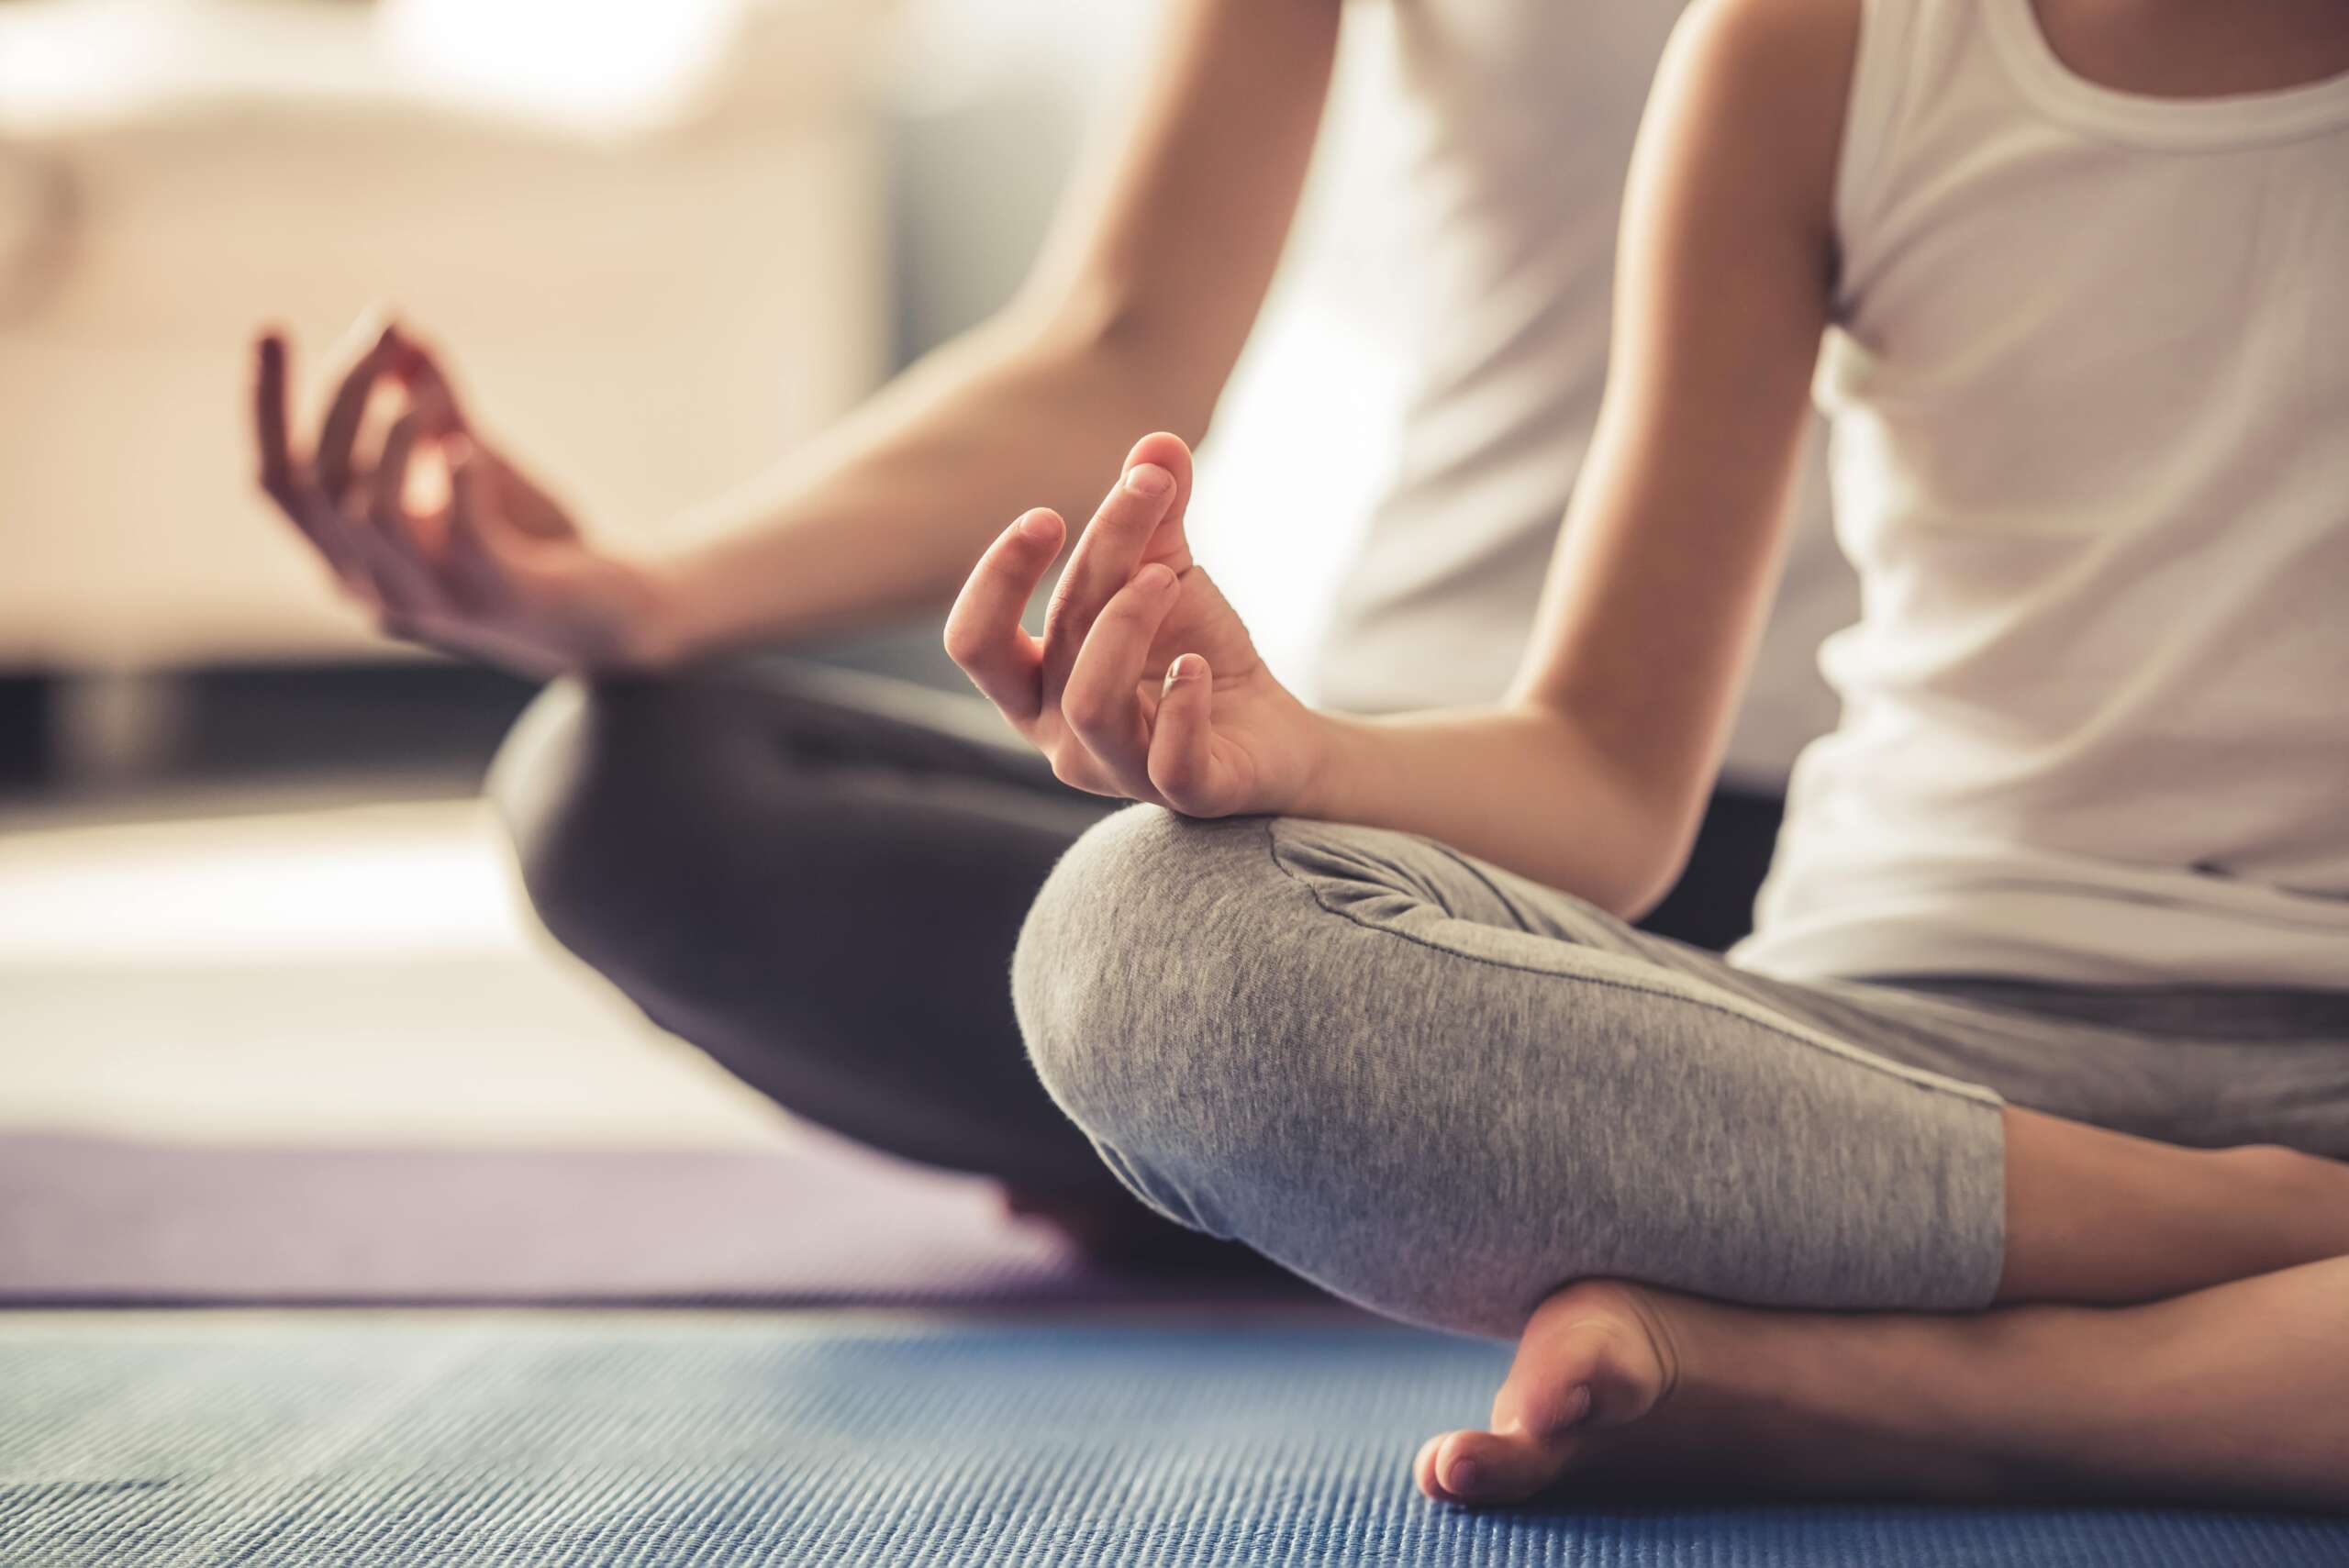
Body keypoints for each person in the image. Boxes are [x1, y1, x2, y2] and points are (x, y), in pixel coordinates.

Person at [944, 0, 2349, 1511]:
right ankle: (2255, 1246)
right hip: (1885, 1065)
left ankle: (1896, 1389)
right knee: (1147, 940)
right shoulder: (1811, 51)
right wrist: (1297, 749)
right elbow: (1606, 781)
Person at [248, 4, 1848, 1254]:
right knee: (626, 785)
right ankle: (1328, 1166)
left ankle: (1283, 1173)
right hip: (1370, 805)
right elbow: (1118, 343)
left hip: (1808, 857)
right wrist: (637, 593)